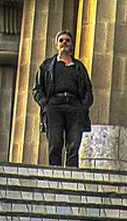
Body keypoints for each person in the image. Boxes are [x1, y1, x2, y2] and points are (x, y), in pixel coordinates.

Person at [32, 31, 94, 168]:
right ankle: (55, 170)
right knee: (55, 142)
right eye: (61, 40)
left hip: (74, 106)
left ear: (72, 45)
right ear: (56, 44)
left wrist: (83, 106)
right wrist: (45, 104)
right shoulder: (47, 66)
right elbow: (37, 89)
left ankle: (72, 172)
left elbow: (88, 89)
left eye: (67, 40)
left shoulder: (79, 67)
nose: (64, 43)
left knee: (74, 143)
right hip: (54, 105)